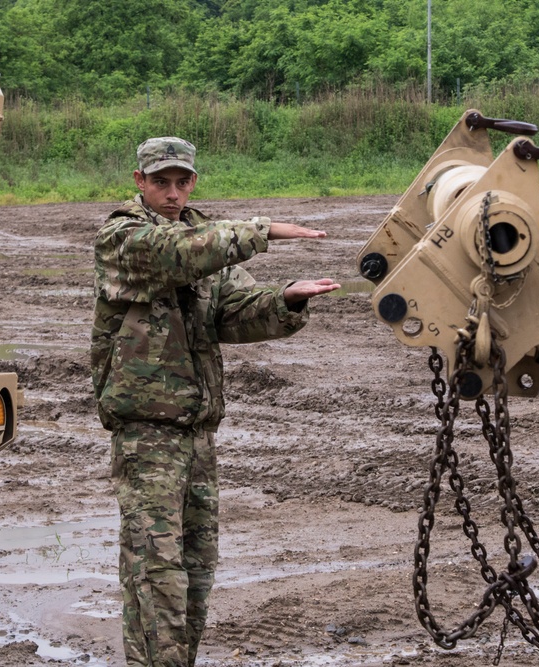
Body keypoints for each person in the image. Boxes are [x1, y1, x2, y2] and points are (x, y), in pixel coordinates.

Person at [90, 136, 340, 667]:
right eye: (161, 183)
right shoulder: (122, 235)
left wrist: (285, 299)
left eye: (182, 183)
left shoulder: (207, 242)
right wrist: (260, 230)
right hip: (147, 434)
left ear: (193, 183)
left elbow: (235, 313)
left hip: (197, 434)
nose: (172, 194)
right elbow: (174, 258)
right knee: (157, 572)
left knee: (197, 569)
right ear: (139, 182)